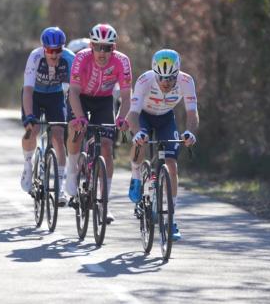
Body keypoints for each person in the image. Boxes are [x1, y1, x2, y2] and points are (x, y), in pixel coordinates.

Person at [125, 49, 199, 241]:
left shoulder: (186, 81)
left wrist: (190, 132)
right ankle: (136, 176)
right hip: (144, 116)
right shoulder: (144, 80)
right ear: (155, 74)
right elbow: (132, 114)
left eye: (170, 78)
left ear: (178, 73)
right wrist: (137, 133)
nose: (166, 83)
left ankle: (171, 219)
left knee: (172, 166)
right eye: (162, 78)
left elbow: (192, 114)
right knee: (140, 144)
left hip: (166, 118)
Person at [65, 23, 132, 224]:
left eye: (107, 47)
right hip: (81, 97)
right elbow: (74, 92)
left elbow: (127, 97)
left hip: (103, 100)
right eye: (98, 46)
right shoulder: (81, 58)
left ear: (114, 47)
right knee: (76, 133)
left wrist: (122, 118)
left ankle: (104, 203)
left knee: (106, 147)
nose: (102, 52)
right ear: (91, 45)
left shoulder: (122, 61)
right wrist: (79, 117)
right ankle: (71, 171)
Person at [21, 26, 75, 206]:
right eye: (50, 51)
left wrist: (75, 114)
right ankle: (28, 165)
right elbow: (27, 90)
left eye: (57, 50)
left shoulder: (69, 59)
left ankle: (59, 188)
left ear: (63, 48)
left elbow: (73, 92)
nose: (53, 55)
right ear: (44, 48)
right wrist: (29, 116)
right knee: (32, 130)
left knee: (59, 137)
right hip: (34, 95)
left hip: (55, 96)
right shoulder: (35, 57)